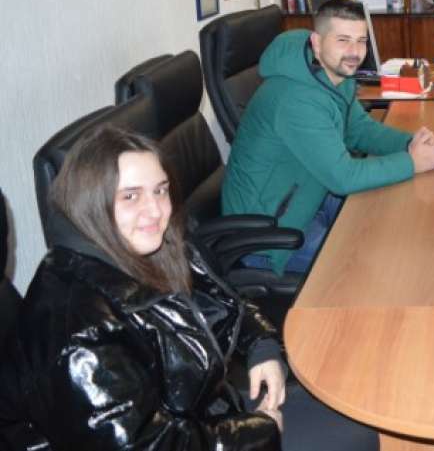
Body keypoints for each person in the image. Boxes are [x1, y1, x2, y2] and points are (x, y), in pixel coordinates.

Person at [0, 124, 379, 451]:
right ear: (90, 203)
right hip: (187, 436)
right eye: (130, 196)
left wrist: (260, 346)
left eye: (160, 190)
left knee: (364, 405)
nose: (155, 211)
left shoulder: (150, 247)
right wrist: (257, 433)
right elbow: (146, 445)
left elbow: (222, 300)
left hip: (204, 414)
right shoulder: (77, 326)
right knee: (363, 432)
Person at [222, 0, 434, 275]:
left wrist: (410, 144)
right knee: (378, 265)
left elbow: (359, 130)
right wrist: (412, 162)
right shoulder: (296, 99)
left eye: (361, 41)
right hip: (272, 235)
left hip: (310, 196)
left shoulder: (333, 75)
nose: (354, 52)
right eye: (343, 40)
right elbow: (343, 177)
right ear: (317, 43)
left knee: (396, 224)